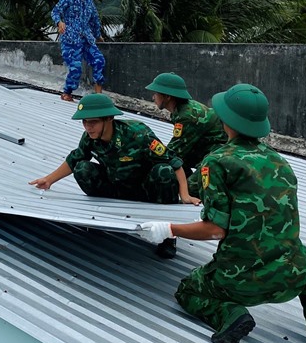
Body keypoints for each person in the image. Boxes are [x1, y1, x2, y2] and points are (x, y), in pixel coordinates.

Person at [137, 84, 306, 343]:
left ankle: (231, 315)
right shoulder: (279, 161)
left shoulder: (217, 162)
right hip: (291, 277)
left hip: (239, 281)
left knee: (188, 292)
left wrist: (168, 228)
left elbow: (215, 229)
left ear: (226, 119)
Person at [29, 93, 200, 259]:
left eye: (93, 122)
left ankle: (168, 237)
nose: (88, 127)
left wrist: (184, 196)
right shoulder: (90, 137)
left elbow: (175, 163)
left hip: (145, 190)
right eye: (85, 122)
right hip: (116, 188)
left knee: (164, 171)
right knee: (83, 169)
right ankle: (100, 219)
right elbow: (75, 159)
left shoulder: (138, 134)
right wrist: (49, 180)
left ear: (109, 119)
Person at [146, 72, 227, 196]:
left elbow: (173, 151)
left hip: (220, 155)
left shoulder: (187, 116)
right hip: (206, 149)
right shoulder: (180, 110)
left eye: (156, 93)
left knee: (187, 188)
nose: (153, 97)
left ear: (167, 97)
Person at [52, 0, 105, 102]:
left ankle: (98, 96)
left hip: (86, 38)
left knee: (99, 60)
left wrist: (98, 36)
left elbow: (94, 20)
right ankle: (67, 92)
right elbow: (56, 11)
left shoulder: (89, 2)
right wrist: (59, 22)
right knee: (75, 68)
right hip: (70, 39)